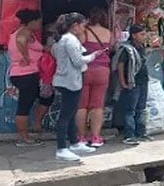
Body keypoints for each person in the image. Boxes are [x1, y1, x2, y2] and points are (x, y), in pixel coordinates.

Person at [52, 12, 101, 162]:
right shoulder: (70, 40)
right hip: (69, 82)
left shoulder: (64, 39)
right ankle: (61, 148)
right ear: (75, 26)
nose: (84, 28)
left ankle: (74, 143)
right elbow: (78, 61)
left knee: (71, 113)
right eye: (82, 25)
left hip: (67, 80)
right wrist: (94, 56)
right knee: (66, 116)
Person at [76, 8, 115, 148]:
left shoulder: (84, 32)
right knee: (97, 105)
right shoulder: (109, 33)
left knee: (81, 105)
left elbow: (77, 48)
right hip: (103, 71)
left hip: (85, 70)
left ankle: (81, 137)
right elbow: (112, 48)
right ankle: (95, 137)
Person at [8, 9, 45, 147]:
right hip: (26, 74)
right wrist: (25, 56)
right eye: (38, 22)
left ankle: (27, 133)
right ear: (32, 22)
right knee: (24, 106)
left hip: (22, 74)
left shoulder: (20, 31)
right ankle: (24, 138)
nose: (40, 24)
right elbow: (21, 40)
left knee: (31, 101)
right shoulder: (25, 32)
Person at [115, 24, 153, 145]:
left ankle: (141, 133)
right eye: (142, 34)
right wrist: (123, 82)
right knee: (130, 110)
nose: (144, 36)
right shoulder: (127, 49)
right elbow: (120, 65)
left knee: (141, 108)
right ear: (134, 35)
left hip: (143, 81)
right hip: (132, 82)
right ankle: (129, 135)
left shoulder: (141, 47)